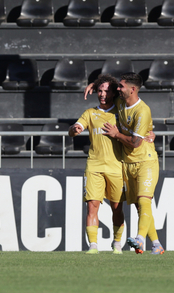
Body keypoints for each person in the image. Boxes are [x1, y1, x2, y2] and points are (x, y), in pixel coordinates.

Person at [101, 72, 165, 255]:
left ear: (133, 89)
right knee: (139, 205)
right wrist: (92, 85)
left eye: (121, 86)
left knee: (144, 201)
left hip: (146, 161)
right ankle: (157, 245)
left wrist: (116, 135)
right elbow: (108, 89)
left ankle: (139, 239)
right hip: (128, 163)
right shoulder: (121, 102)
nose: (118, 89)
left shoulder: (142, 110)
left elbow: (136, 142)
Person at [69, 74, 126, 254]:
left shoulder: (120, 110)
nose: (102, 94)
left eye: (106, 91)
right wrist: (74, 129)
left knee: (116, 208)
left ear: (114, 92)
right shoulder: (90, 113)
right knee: (92, 205)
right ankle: (93, 246)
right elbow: (75, 129)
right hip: (94, 166)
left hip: (116, 166)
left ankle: (117, 243)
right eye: (100, 91)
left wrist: (94, 83)